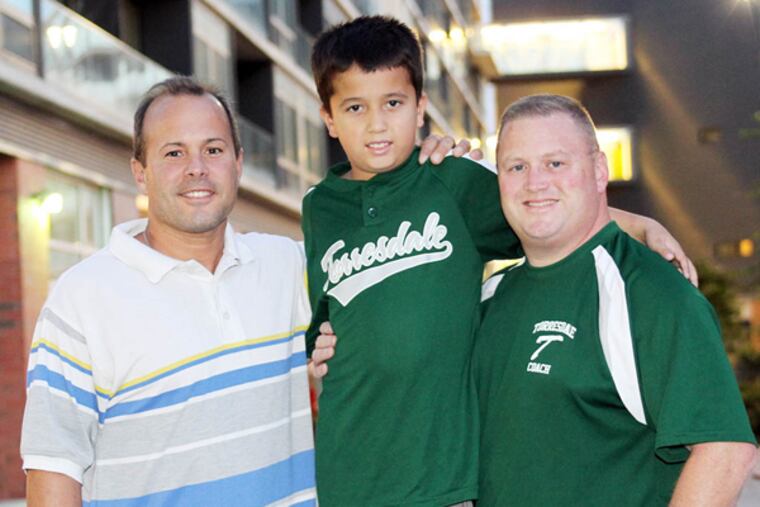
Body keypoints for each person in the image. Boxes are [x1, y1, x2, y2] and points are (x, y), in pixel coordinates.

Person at [18, 74, 488, 506]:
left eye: (214, 150)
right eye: (174, 152)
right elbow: (53, 467)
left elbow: (395, 293)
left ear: (238, 164)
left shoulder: (289, 266)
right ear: (140, 171)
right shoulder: (83, 297)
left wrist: (435, 170)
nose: (197, 169)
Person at [303, 16, 694, 507]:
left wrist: (640, 224)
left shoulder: (451, 181)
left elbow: (545, 204)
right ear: (328, 117)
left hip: (440, 479)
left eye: (394, 103)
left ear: (421, 108)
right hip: (347, 473)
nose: (377, 123)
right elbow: (327, 319)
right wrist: (319, 346)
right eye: (355, 107)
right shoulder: (319, 207)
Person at [473, 94, 757, 506]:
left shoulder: (652, 292)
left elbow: (725, 452)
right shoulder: (491, 296)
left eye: (555, 163)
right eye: (517, 167)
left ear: (600, 170)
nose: (535, 182)